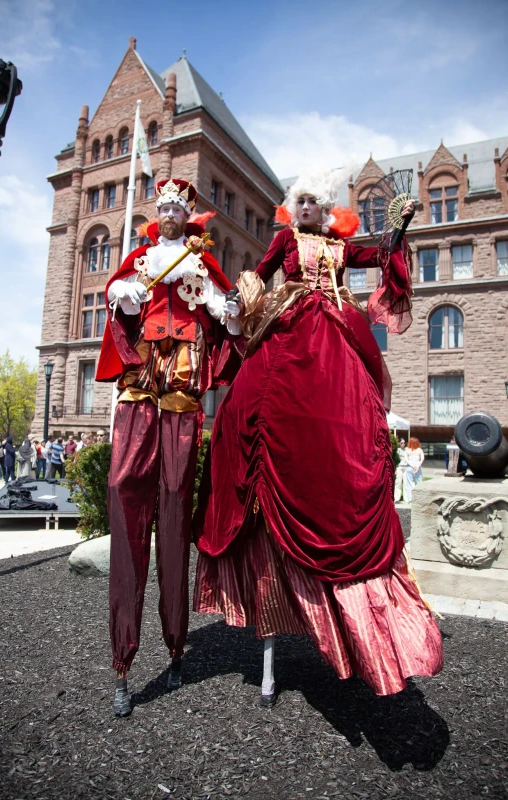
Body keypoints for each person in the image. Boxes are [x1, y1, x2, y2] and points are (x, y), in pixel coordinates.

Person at [193, 166, 443, 700]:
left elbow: (376, 258)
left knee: (351, 420)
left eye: (314, 202)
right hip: (290, 328)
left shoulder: (340, 246)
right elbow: (256, 277)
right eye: (299, 200)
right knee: (253, 411)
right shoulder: (284, 241)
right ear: (291, 206)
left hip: (335, 329)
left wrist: (396, 231)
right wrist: (235, 303)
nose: (305, 208)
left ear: (326, 209)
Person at [96, 178, 242, 717]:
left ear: (189, 214)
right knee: (122, 490)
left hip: (181, 392)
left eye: (181, 207)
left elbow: (227, 318)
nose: (174, 214)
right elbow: (118, 301)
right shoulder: (142, 258)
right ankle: (123, 658)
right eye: (167, 208)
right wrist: (122, 297)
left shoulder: (198, 262)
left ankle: (177, 643)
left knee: (177, 506)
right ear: (159, 215)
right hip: (139, 385)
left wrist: (224, 308)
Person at [403, 437, 425, 502]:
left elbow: (406, 459)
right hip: (418, 468)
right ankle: (420, 499)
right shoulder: (419, 450)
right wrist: (417, 466)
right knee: (419, 482)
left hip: (409, 468)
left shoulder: (407, 450)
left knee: (409, 484)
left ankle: (410, 499)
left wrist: (412, 466)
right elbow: (422, 458)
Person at [394, 437, 408, 503]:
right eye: (402, 443)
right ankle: (397, 498)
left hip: (406, 467)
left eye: (404, 443)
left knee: (405, 483)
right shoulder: (397, 450)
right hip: (399, 467)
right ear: (399, 443)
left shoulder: (407, 450)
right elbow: (395, 460)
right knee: (398, 483)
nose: (403, 444)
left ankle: (406, 498)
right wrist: (395, 469)